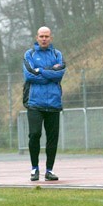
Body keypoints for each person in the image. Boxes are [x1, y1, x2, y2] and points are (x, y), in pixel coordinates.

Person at [23, 26, 66, 181]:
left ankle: (49, 170)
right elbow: (29, 75)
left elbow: (60, 73)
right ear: (37, 37)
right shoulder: (29, 54)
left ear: (51, 38)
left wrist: (40, 70)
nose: (44, 39)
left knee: (52, 138)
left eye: (46, 36)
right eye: (41, 36)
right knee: (35, 134)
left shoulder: (57, 54)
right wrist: (49, 72)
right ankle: (34, 169)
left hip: (54, 103)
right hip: (35, 103)